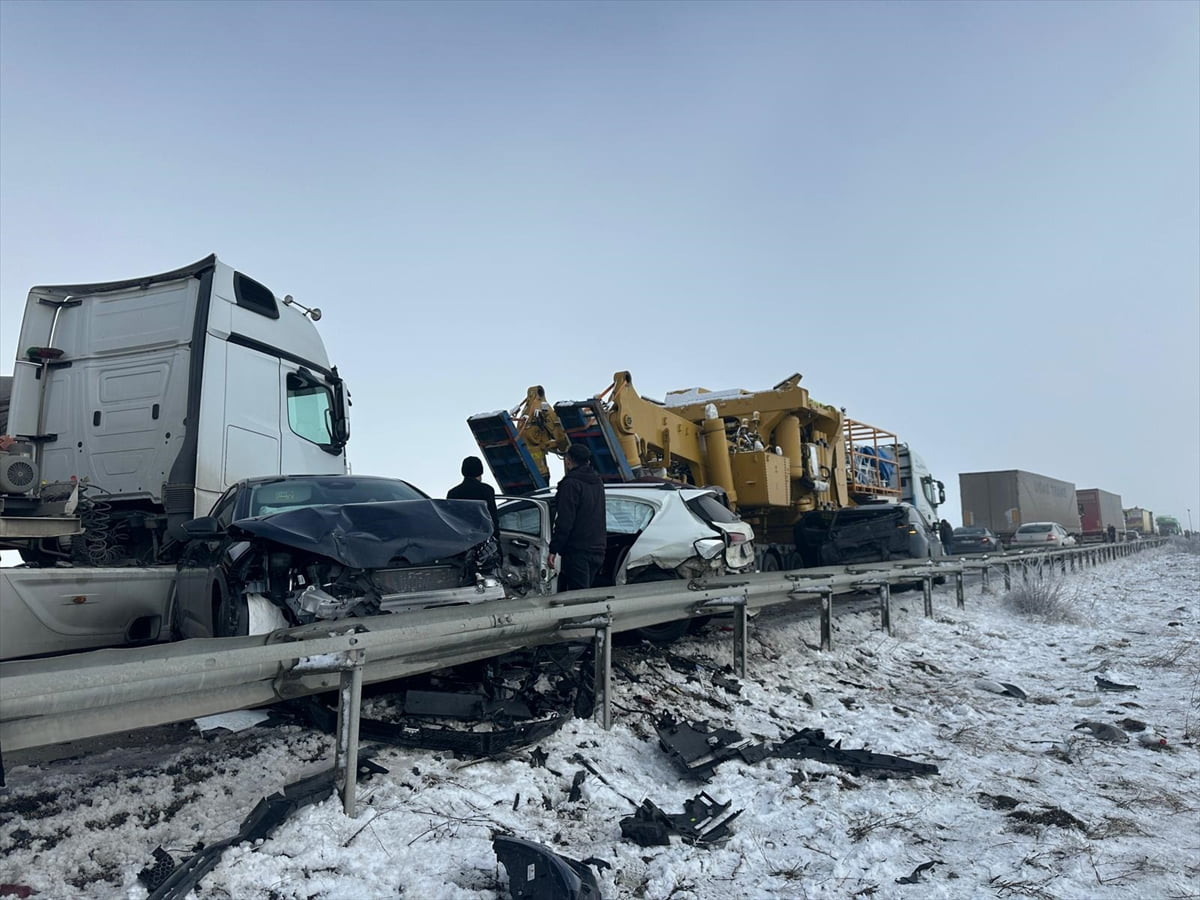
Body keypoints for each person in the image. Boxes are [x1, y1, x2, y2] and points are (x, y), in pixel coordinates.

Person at [549, 444, 606, 591]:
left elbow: (564, 520)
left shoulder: (570, 484)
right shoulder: (598, 482)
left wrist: (554, 549)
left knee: (578, 597)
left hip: (577, 550)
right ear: (588, 461)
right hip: (598, 548)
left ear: (568, 461)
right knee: (584, 593)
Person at [447, 456, 500, 541]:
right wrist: (496, 537)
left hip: (463, 540)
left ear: (463, 471)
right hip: (483, 538)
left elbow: (450, 519)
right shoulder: (487, 489)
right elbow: (493, 516)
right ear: (481, 471)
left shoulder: (453, 493)